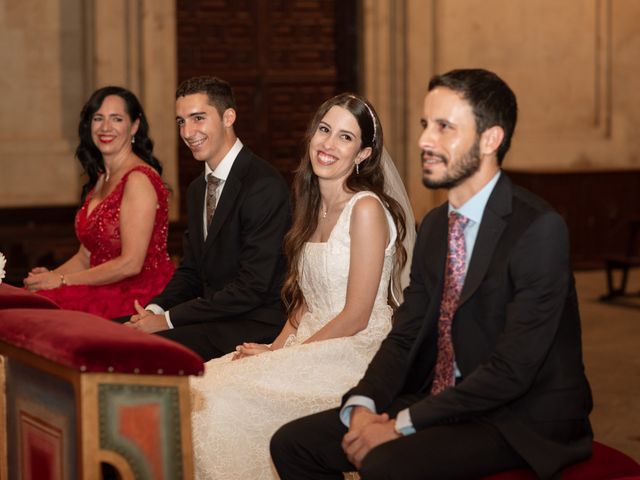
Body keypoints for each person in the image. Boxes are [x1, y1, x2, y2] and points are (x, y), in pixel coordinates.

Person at [271, 69, 593, 480]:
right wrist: (364, 405)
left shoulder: (539, 230)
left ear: (490, 139)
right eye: (425, 125)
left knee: (385, 462)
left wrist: (401, 423)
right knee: (292, 444)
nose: (425, 140)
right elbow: (405, 334)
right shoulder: (437, 224)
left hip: (518, 416)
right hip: (439, 395)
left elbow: (512, 370)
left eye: (444, 127)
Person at [188, 93, 416, 479]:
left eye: (345, 137)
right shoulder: (312, 206)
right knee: (199, 384)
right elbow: (304, 301)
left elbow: (357, 315)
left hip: (353, 349)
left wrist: (288, 358)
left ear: (362, 154)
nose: (328, 144)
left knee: (222, 400)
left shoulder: (366, 209)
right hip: (310, 341)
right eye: (325, 130)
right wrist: (274, 348)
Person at [124, 76, 291, 361]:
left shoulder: (263, 184)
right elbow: (191, 270)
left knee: (136, 350)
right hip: (211, 318)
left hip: (253, 323)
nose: (188, 132)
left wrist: (167, 321)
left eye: (198, 118)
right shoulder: (198, 188)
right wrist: (155, 310)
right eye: (180, 122)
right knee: (113, 332)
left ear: (229, 117)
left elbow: (251, 288)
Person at [24, 86, 175, 318]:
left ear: (134, 126)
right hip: (105, 284)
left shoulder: (138, 179)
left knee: (40, 315)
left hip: (137, 295)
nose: (106, 127)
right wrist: (48, 279)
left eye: (116, 119)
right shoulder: (101, 179)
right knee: (28, 299)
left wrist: (62, 281)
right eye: (98, 118)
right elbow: (86, 257)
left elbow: (131, 264)